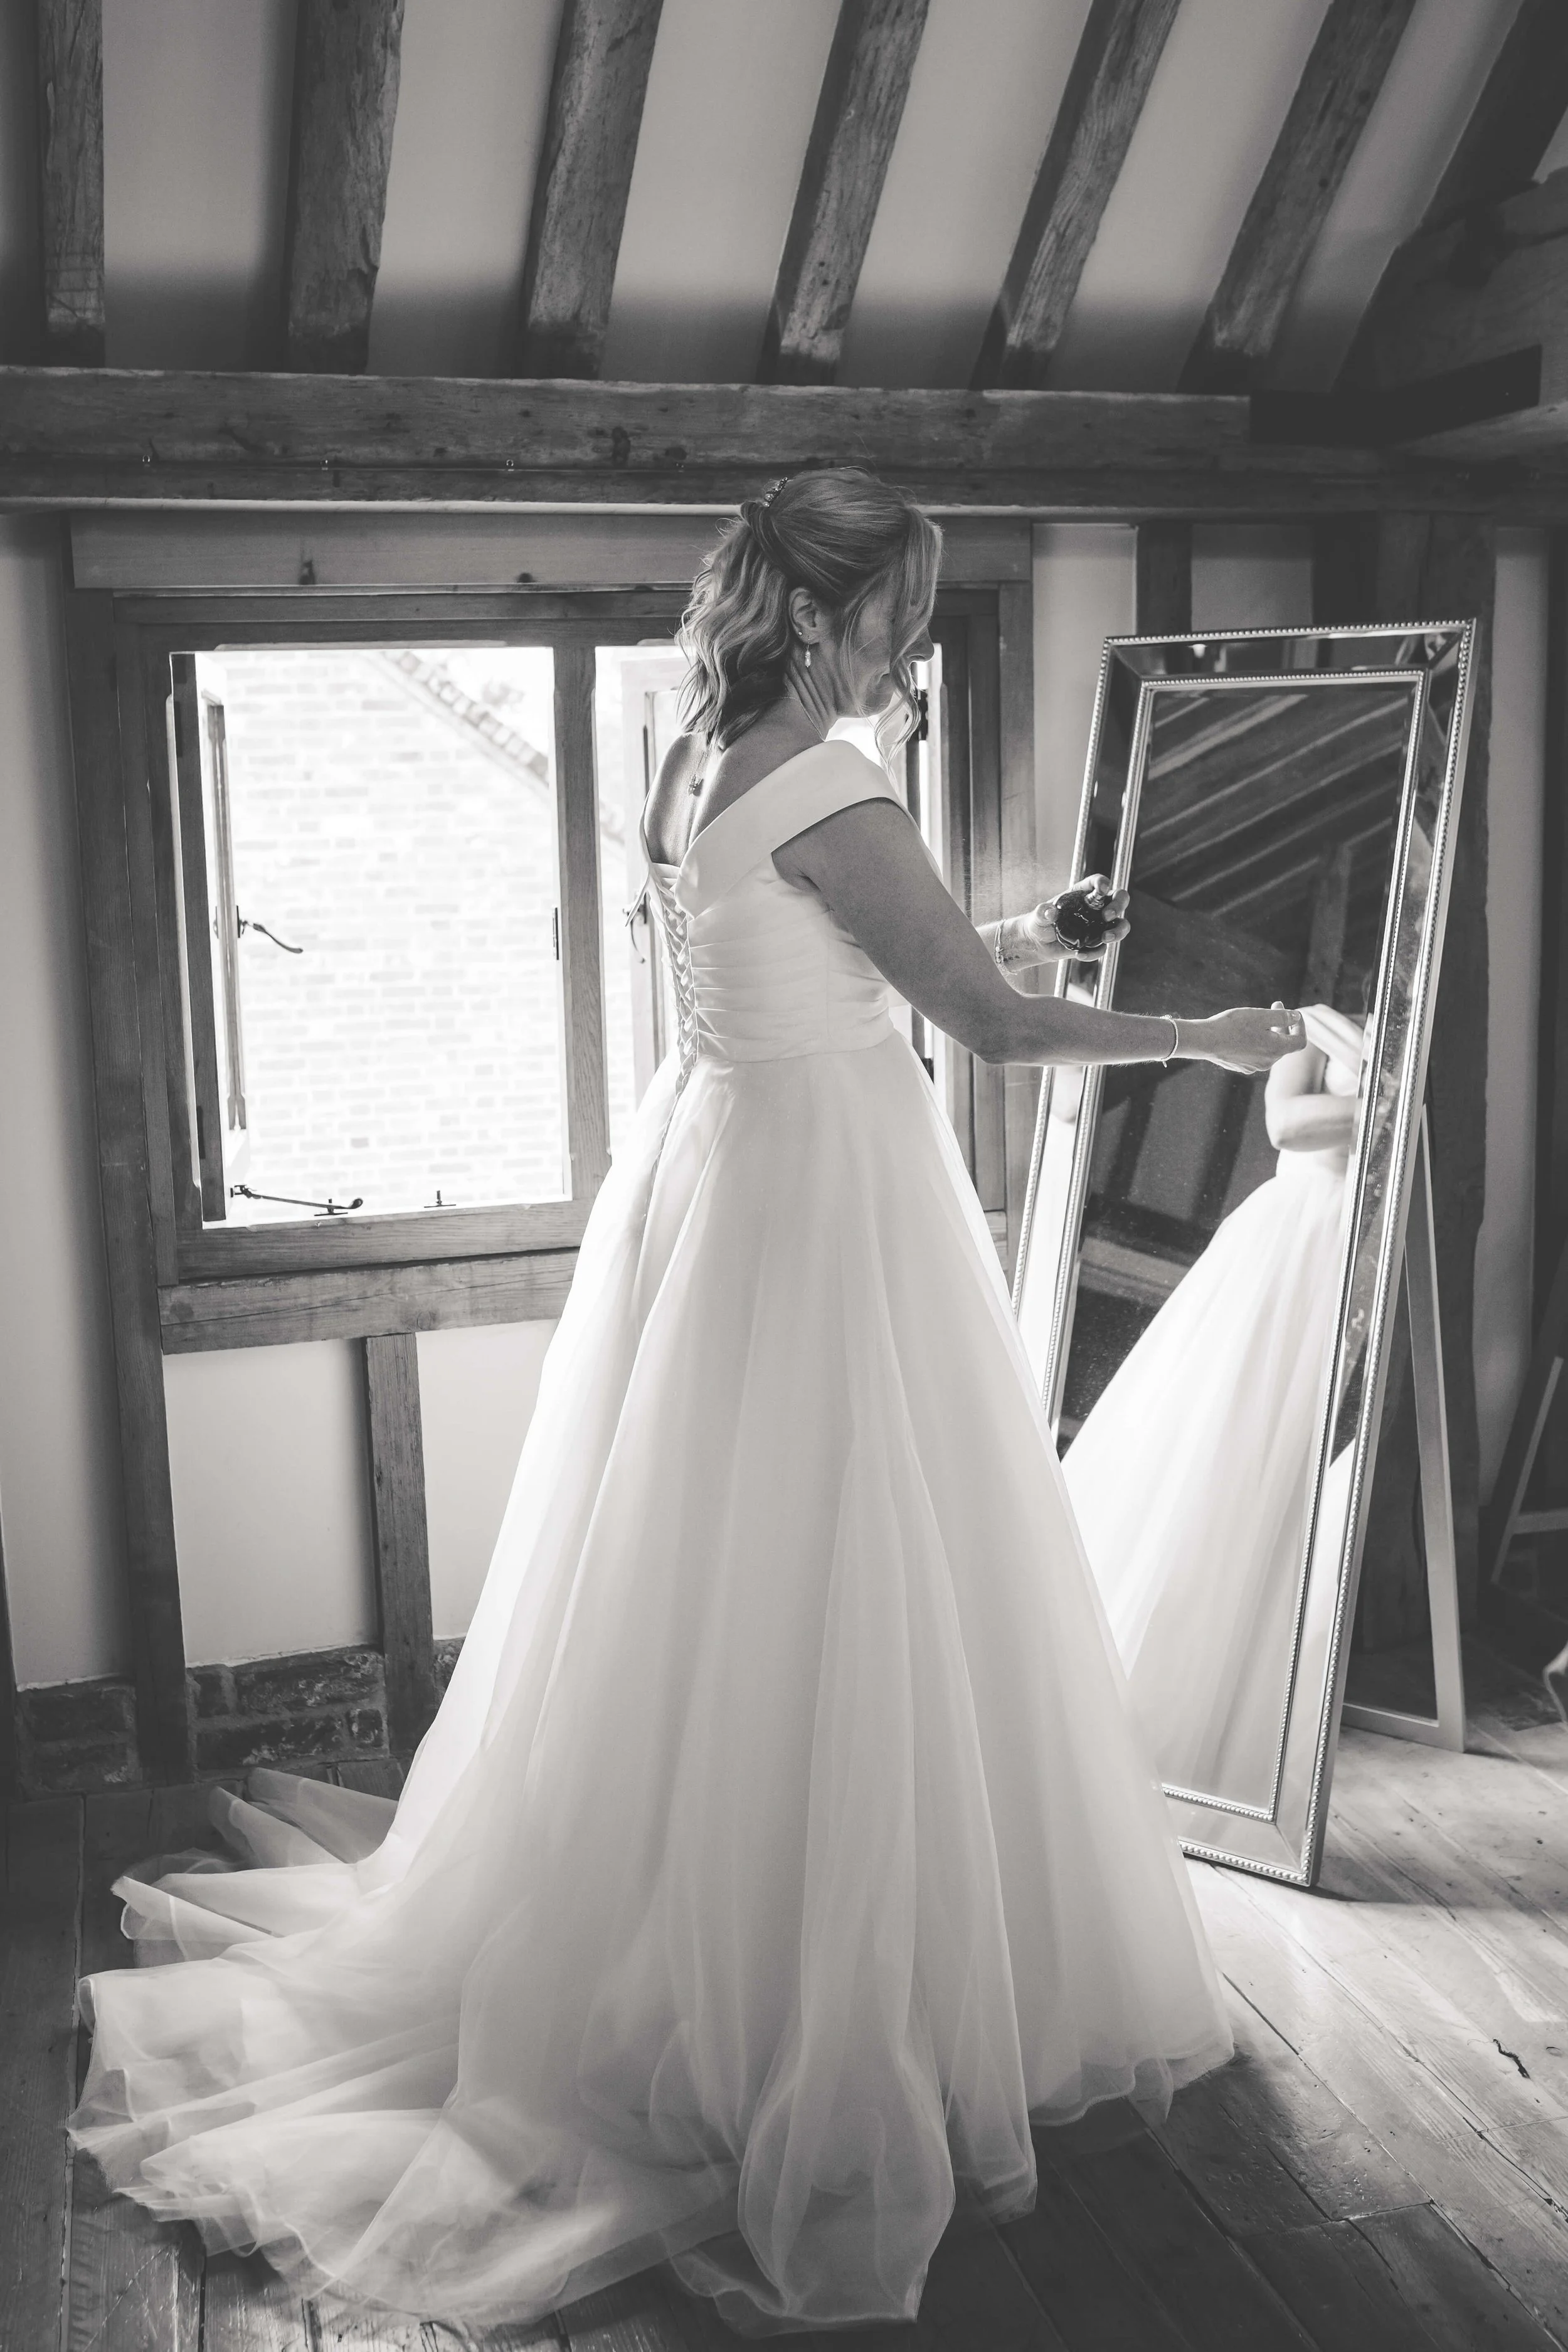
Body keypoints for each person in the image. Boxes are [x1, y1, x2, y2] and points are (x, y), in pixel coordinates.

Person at [69, 469, 1303, 2336]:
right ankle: (830, 2011)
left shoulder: (695, 758)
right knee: (857, 1589)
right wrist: (1196, 1034)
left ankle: (704, 1944)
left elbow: (826, 944)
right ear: (822, 614)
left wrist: (1017, 928)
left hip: (726, 1185)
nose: (912, 633)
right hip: (826, 1214)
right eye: (901, 604)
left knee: (719, 1603)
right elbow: (974, 1025)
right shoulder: (831, 780)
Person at [1062, 1003, 1367, 1804]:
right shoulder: (1310, 1025)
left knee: (1302, 1474)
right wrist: (1389, 1104)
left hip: (1359, 1249)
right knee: (1216, 1437)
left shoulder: (1415, 1041)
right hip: (1290, 1241)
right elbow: (1288, 1127)